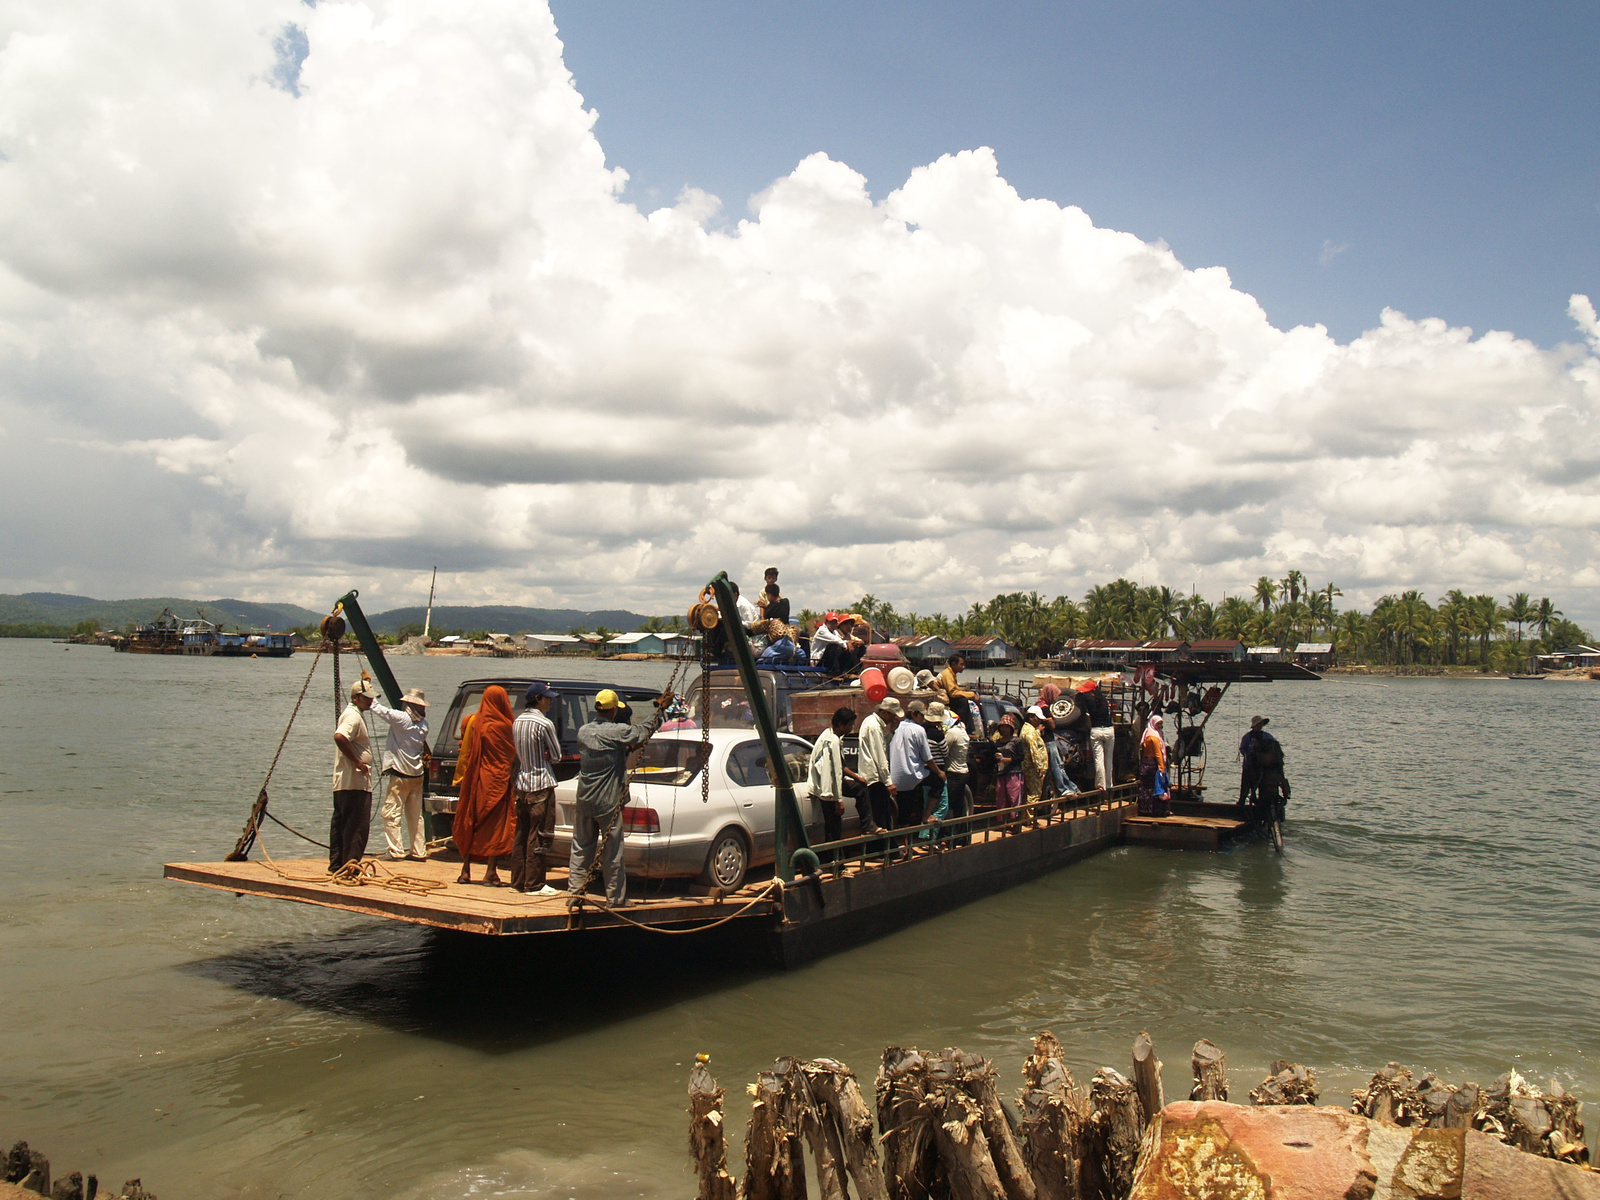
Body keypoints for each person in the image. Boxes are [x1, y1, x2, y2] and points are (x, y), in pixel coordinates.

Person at [568, 686, 673, 907]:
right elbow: (642, 732)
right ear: (614, 709)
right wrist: (659, 709)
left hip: (585, 799)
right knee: (613, 853)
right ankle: (616, 900)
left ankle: (574, 896)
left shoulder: (583, 731)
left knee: (581, 850)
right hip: (608, 802)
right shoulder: (617, 732)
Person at [452, 684, 519, 884]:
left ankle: (465, 870)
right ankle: (491, 870)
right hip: (498, 780)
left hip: (474, 780)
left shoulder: (470, 722)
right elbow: (511, 754)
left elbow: (464, 747)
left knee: (470, 821)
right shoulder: (506, 727)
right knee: (496, 826)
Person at [510, 682, 562, 895]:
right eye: (547, 698)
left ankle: (518, 881)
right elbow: (557, 755)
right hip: (541, 782)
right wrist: (548, 755)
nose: (550, 701)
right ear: (538, 699)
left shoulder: (518, 721)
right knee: (540, 834)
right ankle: (535, 884)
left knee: (521, 833)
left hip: (522, 782)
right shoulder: (544, 723)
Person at [370, 686, 430, 862]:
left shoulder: (402, 719)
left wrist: (369, 689)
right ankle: (419, 851)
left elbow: (379, 709)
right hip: (417, 775)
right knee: (415, 815)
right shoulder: (424, 725)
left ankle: (396, 851)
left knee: (391, 813)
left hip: (401, 775)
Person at [330, 679, 376, 872]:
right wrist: (357, 761)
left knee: (342, 825)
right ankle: (351, 866)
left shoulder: (353, 714)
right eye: (366, 698)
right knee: (357, 826)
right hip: (354, 782)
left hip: (345, 782)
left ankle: (337, 865)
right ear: (356, 698)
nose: (370, 702)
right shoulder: (353, 717)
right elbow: (340, 736)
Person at [807, 706, 864, 844]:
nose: (851, 728)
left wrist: (857, 778)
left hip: (827, 789)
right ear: (840, 724)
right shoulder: (832, 741)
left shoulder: (828, 735)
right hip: (828, 791)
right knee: (834, 827)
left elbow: (841, 767)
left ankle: (833, 860)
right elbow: (833, 772)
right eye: (850, 725)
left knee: (832, 826)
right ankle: (834, 861)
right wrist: (837, 800)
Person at [890, 700, 944, 827]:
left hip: (896, 777)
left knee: (904, 814)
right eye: (922, 715)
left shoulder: (898, 727)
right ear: (914, 714)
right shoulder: (918, 730)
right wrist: (939, 772)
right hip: (912, 777)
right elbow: (928, 758)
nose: (924, 719)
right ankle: (927, 816)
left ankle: (904, 843)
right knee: (938, 781)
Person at [854, 696, 898, 835]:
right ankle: (882, 851)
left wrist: (891, 732)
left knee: (879, 815)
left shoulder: (872, 723)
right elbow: (880, 756)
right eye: (892, 716)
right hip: (875, 778)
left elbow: (881, 745)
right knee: (880, 817)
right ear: (886, 713)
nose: (893, 719)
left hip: (873, 776)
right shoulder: (874, 726)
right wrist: (888, 782)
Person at [1239, 715, 1290, 816]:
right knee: (1245, 787)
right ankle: (1241, 805)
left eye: (1261, 724)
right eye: (1258, 724)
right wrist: (1249, 757)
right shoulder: (1247, 737)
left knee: (1264, 788)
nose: (1260, 726)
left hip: (1264, 769)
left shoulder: (1267, 736)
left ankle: (1263, 806)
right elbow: (1242, 749)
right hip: (1249, 767)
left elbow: (1275, 749)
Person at [1077, 678, 1115, 792]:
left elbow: (1079, 697)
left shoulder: (1087, 699)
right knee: (1108, 760)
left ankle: (1101, 786)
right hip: (1109, 730)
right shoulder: (1103, 699)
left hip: (1096, 730)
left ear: (1090, 691)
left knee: (1099, 760)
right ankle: (1109, 785)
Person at [942, 703, 971, 844]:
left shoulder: (952, 733)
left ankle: (949, 837)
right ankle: (962, 836)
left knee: (949, 806)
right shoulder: (963, 732)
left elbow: (943, 750)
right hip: (962, 771)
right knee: (960, 806)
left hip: (953, 773)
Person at [990, 712, 1025, 811]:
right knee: (1001, 798)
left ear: (1011, 728)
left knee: (1014, 797)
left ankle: (1015, 820)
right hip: (1001, 773)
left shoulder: (1016, 741)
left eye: (1006, 727)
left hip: (1014, 772)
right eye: (1002, 727)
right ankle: (1002, 821)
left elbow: (1021, 756)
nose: (1004, 729)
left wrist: (1008, 760)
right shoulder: (997, 743)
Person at [937, 653, 979, 732]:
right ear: (953, 664)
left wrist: (969, 692)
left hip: (947, 697)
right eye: (961, 664)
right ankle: (963, 727)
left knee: (964, 699)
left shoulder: (952, 673)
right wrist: (972, 695)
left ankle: (968, 728)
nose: (964, 667)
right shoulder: (947, 674)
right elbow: (953, 693)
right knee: (963, 701)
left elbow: (955, 689)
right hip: (942, 699)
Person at [1138, 712, 1170, 817]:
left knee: (1145, 787)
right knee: (1155, 787)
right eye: (1158, 724)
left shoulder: (1147, 733)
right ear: (1153, 724)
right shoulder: (1155, 737)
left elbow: (1141, 750)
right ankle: (1155, 810)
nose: (1160, 726)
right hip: (1152, 764)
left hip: (1145, 763)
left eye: (1161, 724)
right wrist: (1162, 768)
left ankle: (1144, 809)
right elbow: (1158, 754)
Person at [1020, 706, 1051, 807]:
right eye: (1038, 719)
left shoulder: (1030, 730)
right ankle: (1029, 819)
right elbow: (1034, 749)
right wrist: (1039, 766)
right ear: (1031, 717)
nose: (1039, 721)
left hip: (1031, 767)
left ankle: (1027, 818)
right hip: (1033, 768)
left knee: (1030, 793)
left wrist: (1038, 731)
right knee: (1034, 794)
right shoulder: (1029, 732)